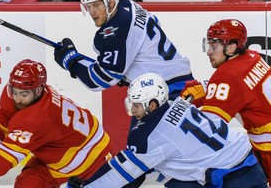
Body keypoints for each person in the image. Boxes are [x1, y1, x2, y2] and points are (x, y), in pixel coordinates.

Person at [67, 73, 267, 188]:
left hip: (231, 179)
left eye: (137, 105)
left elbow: (119, 173)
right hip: (246, 160)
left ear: (153, 105)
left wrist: (88, 186)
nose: (133, 110)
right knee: (171, 177)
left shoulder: (149, 135)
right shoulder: (175, 102)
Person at [53, 0, 193, 96]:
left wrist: (70, 61)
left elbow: (98, 81)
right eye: (88, 7)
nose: (92, 12)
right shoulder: (130, 5)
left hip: (170, 90)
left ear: (111, 1)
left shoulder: (115, 33)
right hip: (184, 81)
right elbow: (154, 23)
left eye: (96, 5)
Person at [0, 59, 113, 187]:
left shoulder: (36, 119)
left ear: (38, 90)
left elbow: (0, 163)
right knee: (28, 183)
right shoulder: (15, 93)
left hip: (93, 158)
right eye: (14, 91)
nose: (17, 99)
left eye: (24, 94)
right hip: (59, 151)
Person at [180, 19, 271, 186]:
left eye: (214, 47)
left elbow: (209, 126)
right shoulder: (253, 56)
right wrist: (207, 88)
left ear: (231, 48)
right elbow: (241, 86)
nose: (209, 52)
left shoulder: (226, 76)